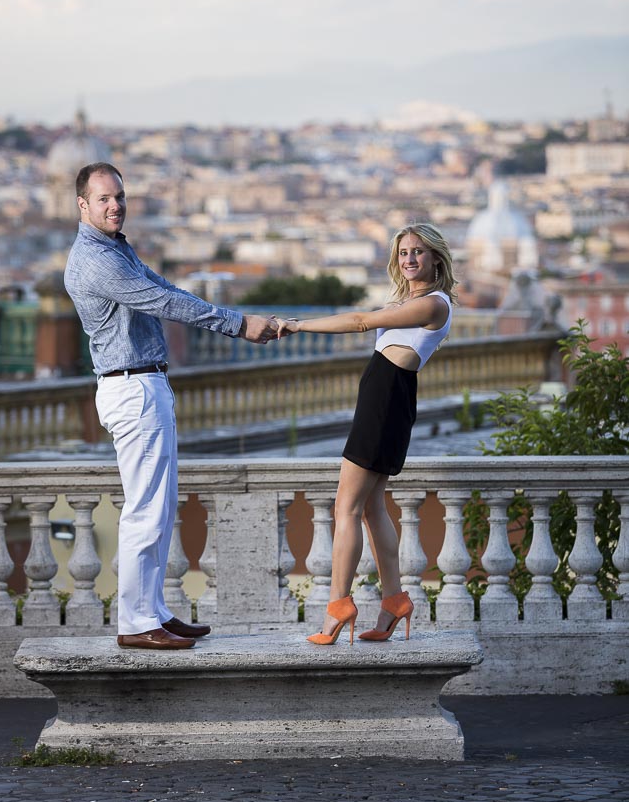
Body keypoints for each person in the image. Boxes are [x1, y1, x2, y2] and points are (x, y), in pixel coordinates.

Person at [64, 162, 278, 651]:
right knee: (145, 509)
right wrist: (237, 323)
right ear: (83, 205)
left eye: (120, 196)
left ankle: (154, 610)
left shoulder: (116, 248)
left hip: (145, 385)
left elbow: (169, 291)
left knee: (160, 508)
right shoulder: (95, 259)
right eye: (104, 199)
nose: (115, 205)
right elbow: (162, 303)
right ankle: (137, 623)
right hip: (132, 387)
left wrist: (234, 318)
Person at [276, 222, 457, 645]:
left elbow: (360, 321)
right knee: (373, 507)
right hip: (385, 396)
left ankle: (338, 604)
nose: (409, 259)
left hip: (385, 400)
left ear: (436, 258)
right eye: (402, 253)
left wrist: (298, 325)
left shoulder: (433, 304)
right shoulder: (410, 299)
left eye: (417, 251)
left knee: (347, 508)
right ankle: (394, 600)